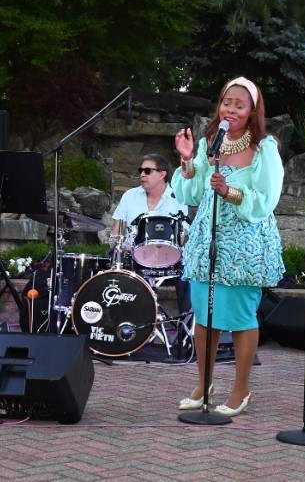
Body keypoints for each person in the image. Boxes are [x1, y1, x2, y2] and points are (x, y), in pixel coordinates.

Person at [172, 76, 285, 417]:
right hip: (207, 241)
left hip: (244, 246)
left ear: (252, 111)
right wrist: (188, 161)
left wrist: (230, 192)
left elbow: (266, 199)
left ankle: (241, 389)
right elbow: (192, 192)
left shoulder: (264, 147)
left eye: (239, 105)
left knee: (239, 317)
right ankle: (203, 382)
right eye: (226, 102)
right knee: (204, 316)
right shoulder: (211, 142)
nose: (230, 110)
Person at [110, 153, 190, 313]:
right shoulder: (129, 196)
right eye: (140, 170)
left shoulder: (178, 198)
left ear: (162, 174)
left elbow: (182, 238)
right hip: (134, 262)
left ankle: (187, 325)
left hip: (168, 263)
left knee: (189, 277)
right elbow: (115, 235)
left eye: (147, 171)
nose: (142, 174)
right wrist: (122, 246)